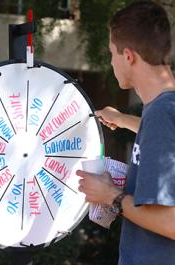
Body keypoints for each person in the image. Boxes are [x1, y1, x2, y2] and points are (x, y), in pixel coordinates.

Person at [77, 1, 175, 265]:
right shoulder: (166, 109)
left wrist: (110, 195)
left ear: (128, 56)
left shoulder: (160, 116)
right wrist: (121, 119)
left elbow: (171, 223)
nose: (111, 62)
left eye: (112, 53)